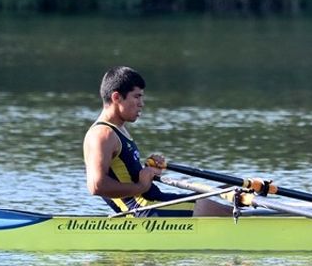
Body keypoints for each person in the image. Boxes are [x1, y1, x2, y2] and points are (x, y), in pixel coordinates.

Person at [83, 66, 231, 216]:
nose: (142, 103)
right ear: (116, 97)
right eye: (136, 96)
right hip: (142, 210)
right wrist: (141, 186)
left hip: (153, 202)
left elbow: (123, 175)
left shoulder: (118, 130)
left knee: (222, 206)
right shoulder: (103, 134)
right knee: (225, 212)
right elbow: (96, 185)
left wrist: (148, 170)